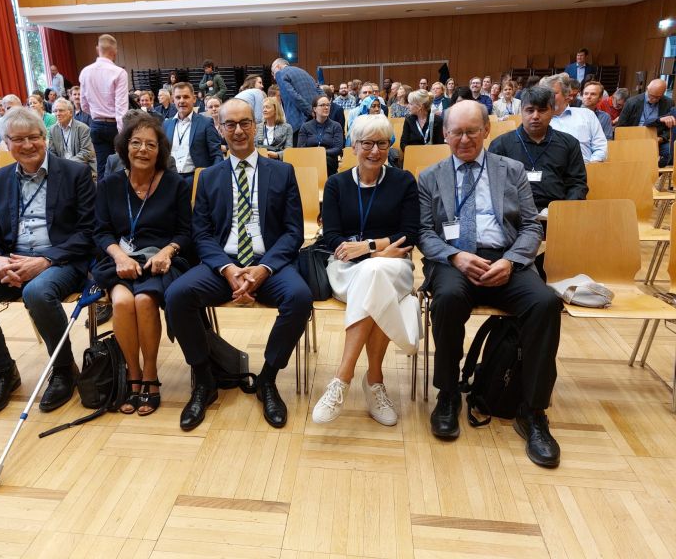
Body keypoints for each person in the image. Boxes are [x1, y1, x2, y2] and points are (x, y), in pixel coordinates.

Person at [417, 100, 562, 468]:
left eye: (472, 131)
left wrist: (511, 261)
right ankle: (448, 394)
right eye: (456, 132)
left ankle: (533, 412)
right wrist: (455, 256)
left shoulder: (511, 170)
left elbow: (531, 226)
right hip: (454, 259)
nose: (464, 139)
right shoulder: (430, 176)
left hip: (504, 257)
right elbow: (422, 232)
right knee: (446, 300)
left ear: (487, 131)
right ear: (445, 134)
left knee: (545, 303)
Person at [164, 99, 312, 431]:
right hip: (223, 264)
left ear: (256, 125)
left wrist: (264, 269)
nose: (238, 130)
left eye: (245, 122)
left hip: (269, 262)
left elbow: (293, 231)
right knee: (177, 295)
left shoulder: (282, 171)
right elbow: (201, 234)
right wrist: (228, 269)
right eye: (230, 124)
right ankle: (205, 380)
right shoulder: (209, 176)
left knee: (300, 298)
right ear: (219, 129)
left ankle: (268, 380)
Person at [0, 107, 95, 417]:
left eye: (34, 137)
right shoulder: (0, 179)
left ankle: (64, 369)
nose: (27, 145)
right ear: (6, 142)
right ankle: (3, 371)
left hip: (61, 262)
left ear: (45, 138)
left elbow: (88, 232)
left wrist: (44, 260)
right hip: (10, 261)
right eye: (18, 139)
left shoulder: (75, 174)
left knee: (36, 292)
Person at [312, 114, 420, 426]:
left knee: (376, 274)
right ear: (354, 146)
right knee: (375, 278)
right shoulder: (336, 184)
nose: (375, 150)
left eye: (382, 143)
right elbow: (330, 235)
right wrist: (377, 250)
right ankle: (374, 382)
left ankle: (340, 380)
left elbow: (410, 233)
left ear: (390, 146)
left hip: (393, 265)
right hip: (346, 267)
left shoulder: (403, 181)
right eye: (367, 143)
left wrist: (371, 248)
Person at [93, 113, 191, 416]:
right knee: (122, 302)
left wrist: (168, 251)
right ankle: (131, 376)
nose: (143, 150)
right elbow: (101, 230)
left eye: (151, 144)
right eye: (136, 143)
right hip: (118, 260)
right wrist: (119, 256)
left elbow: (186, 232)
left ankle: (151, 375)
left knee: (145, 300)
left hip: (161, 260)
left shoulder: (176, 184)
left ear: (160, 150)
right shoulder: (109, 184)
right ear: (125, 147)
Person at [488, 87, 587, 214]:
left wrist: (564, 211)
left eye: (542, 110)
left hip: (557, 214)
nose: (535, 116)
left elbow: (577, 184)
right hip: (514, 216)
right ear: (521, 112)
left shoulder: (569, 143)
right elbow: (493, 187)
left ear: (552, 112)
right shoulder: (500, 145)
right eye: (530, 110)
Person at [79, 34, 129, 182]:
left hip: (96, 124)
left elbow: (84, 105)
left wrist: (97, 114)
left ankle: (102, 203)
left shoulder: (85, 72)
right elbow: (121, 107)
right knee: (122, 165)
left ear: (97, 49)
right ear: (115, 52)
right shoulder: (119, 72)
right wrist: (123, 133)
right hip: (115, 125)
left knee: (102, 168)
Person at [163, 82, 224, 189]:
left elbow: (217, 155)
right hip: (170, 180)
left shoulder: (206, 123)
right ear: (173, 100)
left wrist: (211, 178)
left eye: (186, 97)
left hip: (196, 179)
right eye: (178, 97)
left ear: (194, 99)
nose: (182, 101)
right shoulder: (166, 124)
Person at [540, 73, 606, 163]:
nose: (547, 97)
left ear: (566, 94)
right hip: (552, 173)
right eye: (545, 94)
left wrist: (590, 168)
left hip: (586, 170)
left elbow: (600, 147)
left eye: (553, 93)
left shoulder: (587, 115)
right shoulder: (538, 120)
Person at [617, 79, 674, 165]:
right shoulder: (632, 102)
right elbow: (620, 126)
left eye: (658, 97)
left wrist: (662, 138)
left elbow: (670, 129)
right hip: (633, 138)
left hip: (657, 138)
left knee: (670, 151)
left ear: (663, 93)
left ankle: (656, 173)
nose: (654, 99)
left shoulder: (669, 103)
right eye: (651, 95)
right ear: (647, 89)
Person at [271, 58, 321, 145]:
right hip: (316, 119)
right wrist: (321, 109)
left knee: (298, 156)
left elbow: (292, 95)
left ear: (278, 66)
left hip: (298, 123)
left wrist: (310, 111)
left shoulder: (280, 73)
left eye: (273, 73)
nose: (274, 77)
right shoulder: (304, 72)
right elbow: (319, 90)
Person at [297, 95, 345, 177]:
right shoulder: (305, 126)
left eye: (328, 105)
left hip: (329, 161)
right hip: (309, 160)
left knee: (326, 160)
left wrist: (321, 153)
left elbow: (338, 148)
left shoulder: (336, 126)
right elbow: (301, 148)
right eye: (322, 105)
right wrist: (315, 154)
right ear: (315, 109)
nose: (326, 107)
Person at [48, 98, 97, 175]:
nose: (57, 114)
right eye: (55, 111)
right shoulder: (52, 130)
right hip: (61, 169)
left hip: (80, 167)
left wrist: (67, 164)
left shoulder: (82, 128)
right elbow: (51, 152)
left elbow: (86, 152)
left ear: (70, 113)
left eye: (61, 110)